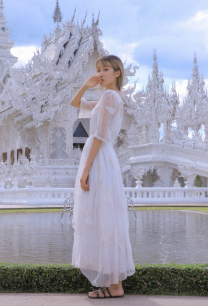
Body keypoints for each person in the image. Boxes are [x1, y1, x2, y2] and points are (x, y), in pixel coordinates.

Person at [71, 55, 135, 299]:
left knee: (104, 218)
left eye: (105, 69)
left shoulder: (110, 96)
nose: (101, 73)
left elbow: (99, 134)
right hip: (102, 158)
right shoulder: (106, 97)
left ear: (117, 72)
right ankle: (113, 283)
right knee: (104, 217)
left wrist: (85, 169)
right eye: (98, 69)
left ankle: (115, 285)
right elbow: (75, 103)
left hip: (98, 158)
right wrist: (87, 85)